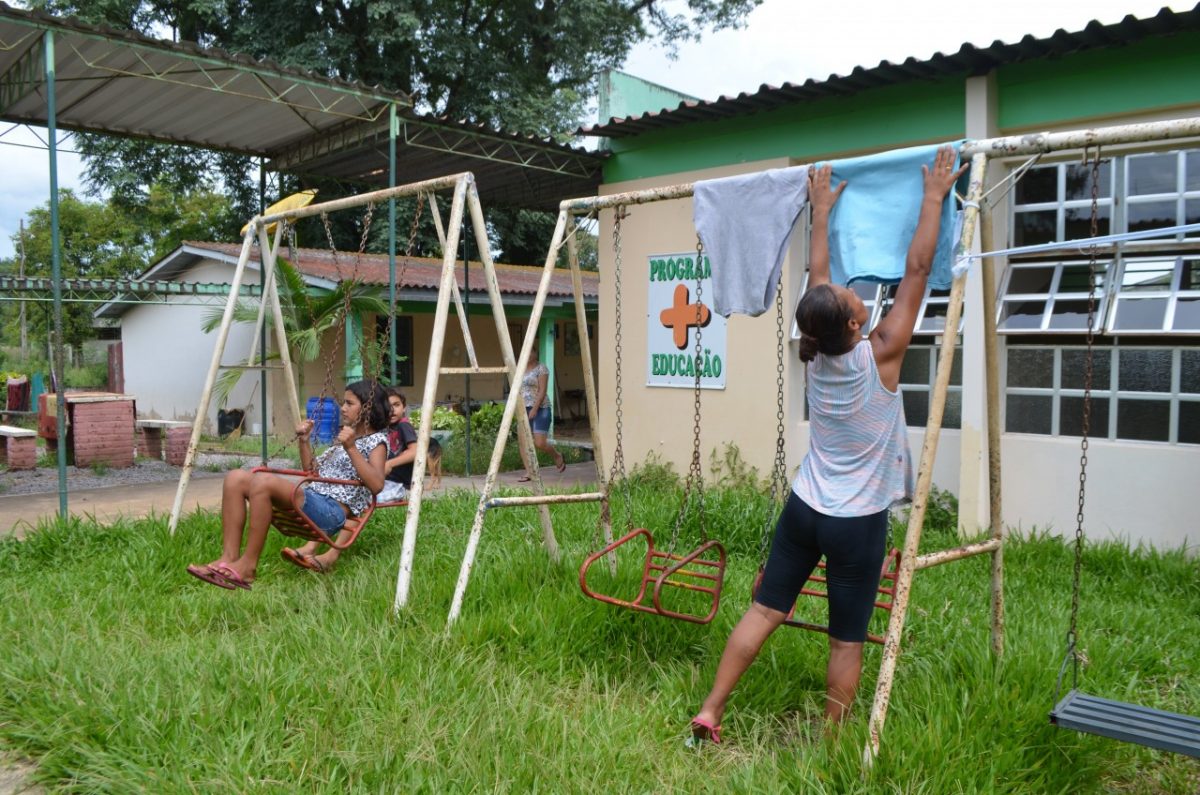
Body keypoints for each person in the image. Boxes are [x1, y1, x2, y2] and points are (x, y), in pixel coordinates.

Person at [690, 147, 967, 745]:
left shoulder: (814, 349)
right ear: (850, 326)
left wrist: (821, 212)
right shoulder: (882, 353)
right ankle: (830, 745)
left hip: (805, 509)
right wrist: (933, 198)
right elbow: (917, 273)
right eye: (852, 302)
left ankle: (710, 711)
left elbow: (818, 279)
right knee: (846, 638)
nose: (853, 294)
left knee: (764, 611)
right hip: (855, 522)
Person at [186, 379, 389, 589]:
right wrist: (304, 441)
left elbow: (376, 485)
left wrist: (352, 448)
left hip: (331, 512)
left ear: (367, 407)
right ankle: (228, 558)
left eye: (349, 403)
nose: (342, 408)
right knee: (235, 478)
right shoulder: (343, 440)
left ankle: (248, 566)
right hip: (314, 500)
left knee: (264, 481)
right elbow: (312, 473)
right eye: (343, 403)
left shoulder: (377, 442)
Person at [278, 386, 415, 575]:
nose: (392, 410)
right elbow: (313, 471)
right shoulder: (353, 435)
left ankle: (329, 556)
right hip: (361, 477)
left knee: (356, 501)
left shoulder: (399, 428)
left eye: (396, 405)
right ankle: (312, 548)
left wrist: (390, 463)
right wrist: (305, 442)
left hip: (390, 480)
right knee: (344, 497)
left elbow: (413, 452)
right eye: (390, 406)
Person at [518, 346, 565, 482]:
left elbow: (542, 390)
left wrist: (534, 408)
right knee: (523, 441)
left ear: (535, 353)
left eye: (530, 351)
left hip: (541, 408)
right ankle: (529, 472)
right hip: (523, 408)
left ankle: (556, 455)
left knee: (539, 443)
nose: (528, 354)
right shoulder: (520, 369)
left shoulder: (541, 368)